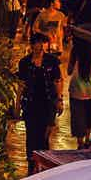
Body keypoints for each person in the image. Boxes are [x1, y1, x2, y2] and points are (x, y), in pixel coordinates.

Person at [16, 32, 61, 163]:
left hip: (48, 104)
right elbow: (21, 85)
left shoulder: (52, 61)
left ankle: (43, 163)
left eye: (42, 43)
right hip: (31, 104)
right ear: (31, 45)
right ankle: (31, 163)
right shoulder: (24, 63)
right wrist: (17, 105)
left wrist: (59, 100)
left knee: (45, 136)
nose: (40, 46)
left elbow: (57, 80)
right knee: (31, 135)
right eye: (37, 43)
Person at [67, 42, 91, 148]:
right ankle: (88, 139)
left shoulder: (75, 54)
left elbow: (69, 71)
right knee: (90, 116)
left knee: (78, 117)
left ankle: (80, 142)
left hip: (76, 93)